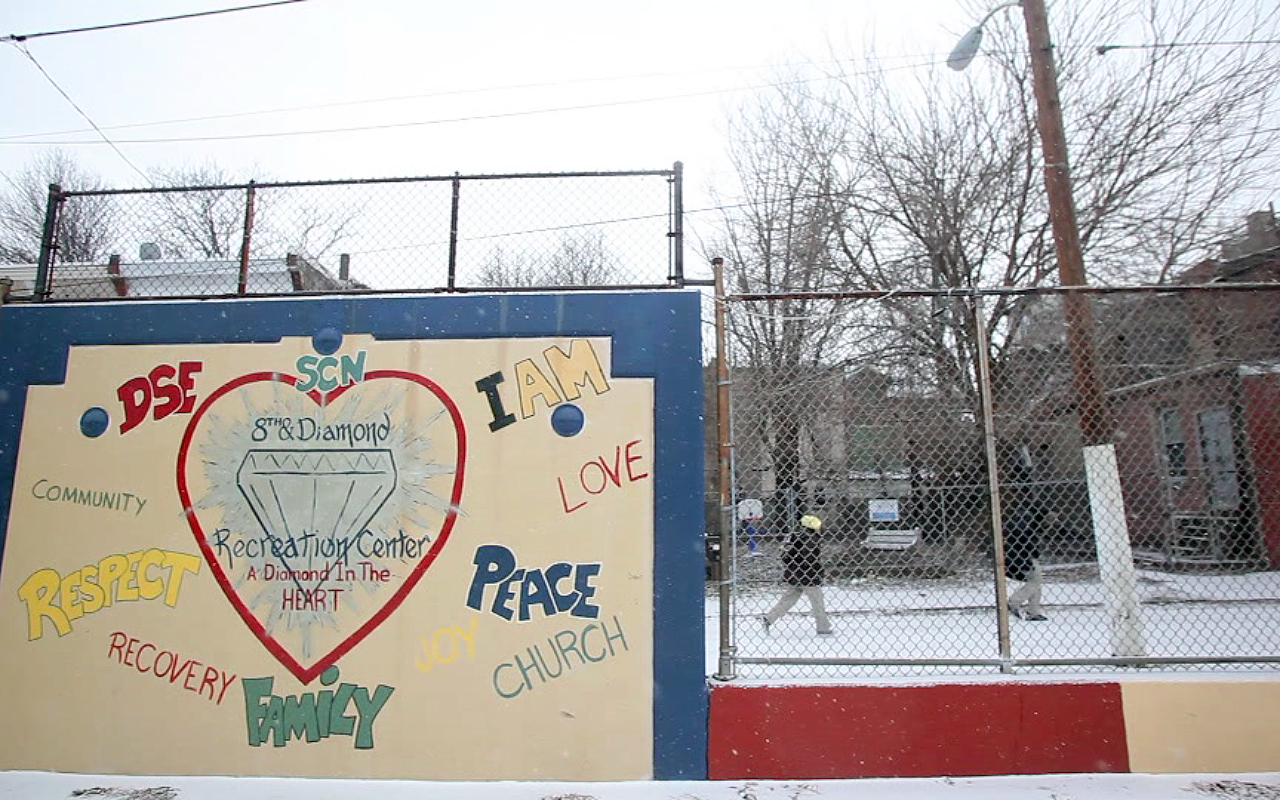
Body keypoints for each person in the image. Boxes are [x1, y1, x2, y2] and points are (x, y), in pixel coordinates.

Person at [762, 514, 833, 635]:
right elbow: (810, 558)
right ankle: (823, 627)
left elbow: (788, 556)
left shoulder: (794, 536)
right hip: (808, 576)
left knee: (788, 600)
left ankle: (769, 618)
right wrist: (819, 571)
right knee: (817, 602)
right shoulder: (810, 538)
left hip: (794, 574)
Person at [1004, 501, 1047, 621]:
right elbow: (1023, 537)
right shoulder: (1026, 519)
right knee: (1036, 580)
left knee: (1036, 580)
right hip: (1021, 557)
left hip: (1020, 556)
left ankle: (1033, 611)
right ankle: (1015, 601)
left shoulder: (1025, 518)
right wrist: (1032, 552)